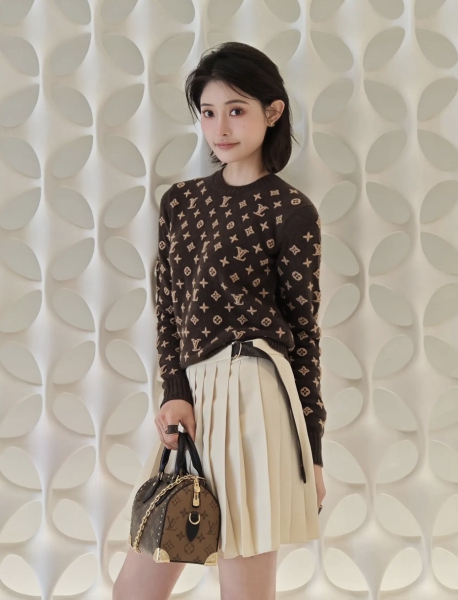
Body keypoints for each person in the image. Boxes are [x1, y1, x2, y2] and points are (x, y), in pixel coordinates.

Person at [113, 41, 326, 600]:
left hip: (257, 395)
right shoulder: (181, 202)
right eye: (208, 112)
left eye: (236, 110)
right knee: (135, 586)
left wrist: (313, 453)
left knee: (245, 589)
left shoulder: (291, 211)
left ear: (272, 112)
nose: (220, 127)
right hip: (194, 398)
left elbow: (304, 336)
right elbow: (168, 308)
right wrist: (174, 390)